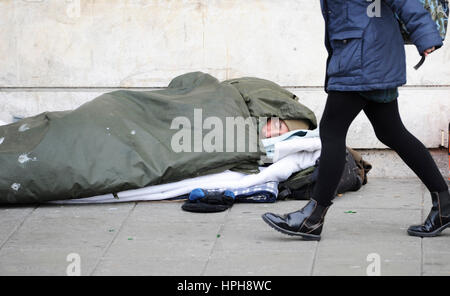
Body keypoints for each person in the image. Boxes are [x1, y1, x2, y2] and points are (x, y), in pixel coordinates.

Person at [262, 0, 449, 240]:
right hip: (368, 54)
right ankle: (444, 204)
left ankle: (312, 218)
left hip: (362, 59)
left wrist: (425, 34)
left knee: (332, 131)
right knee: (391, 131)